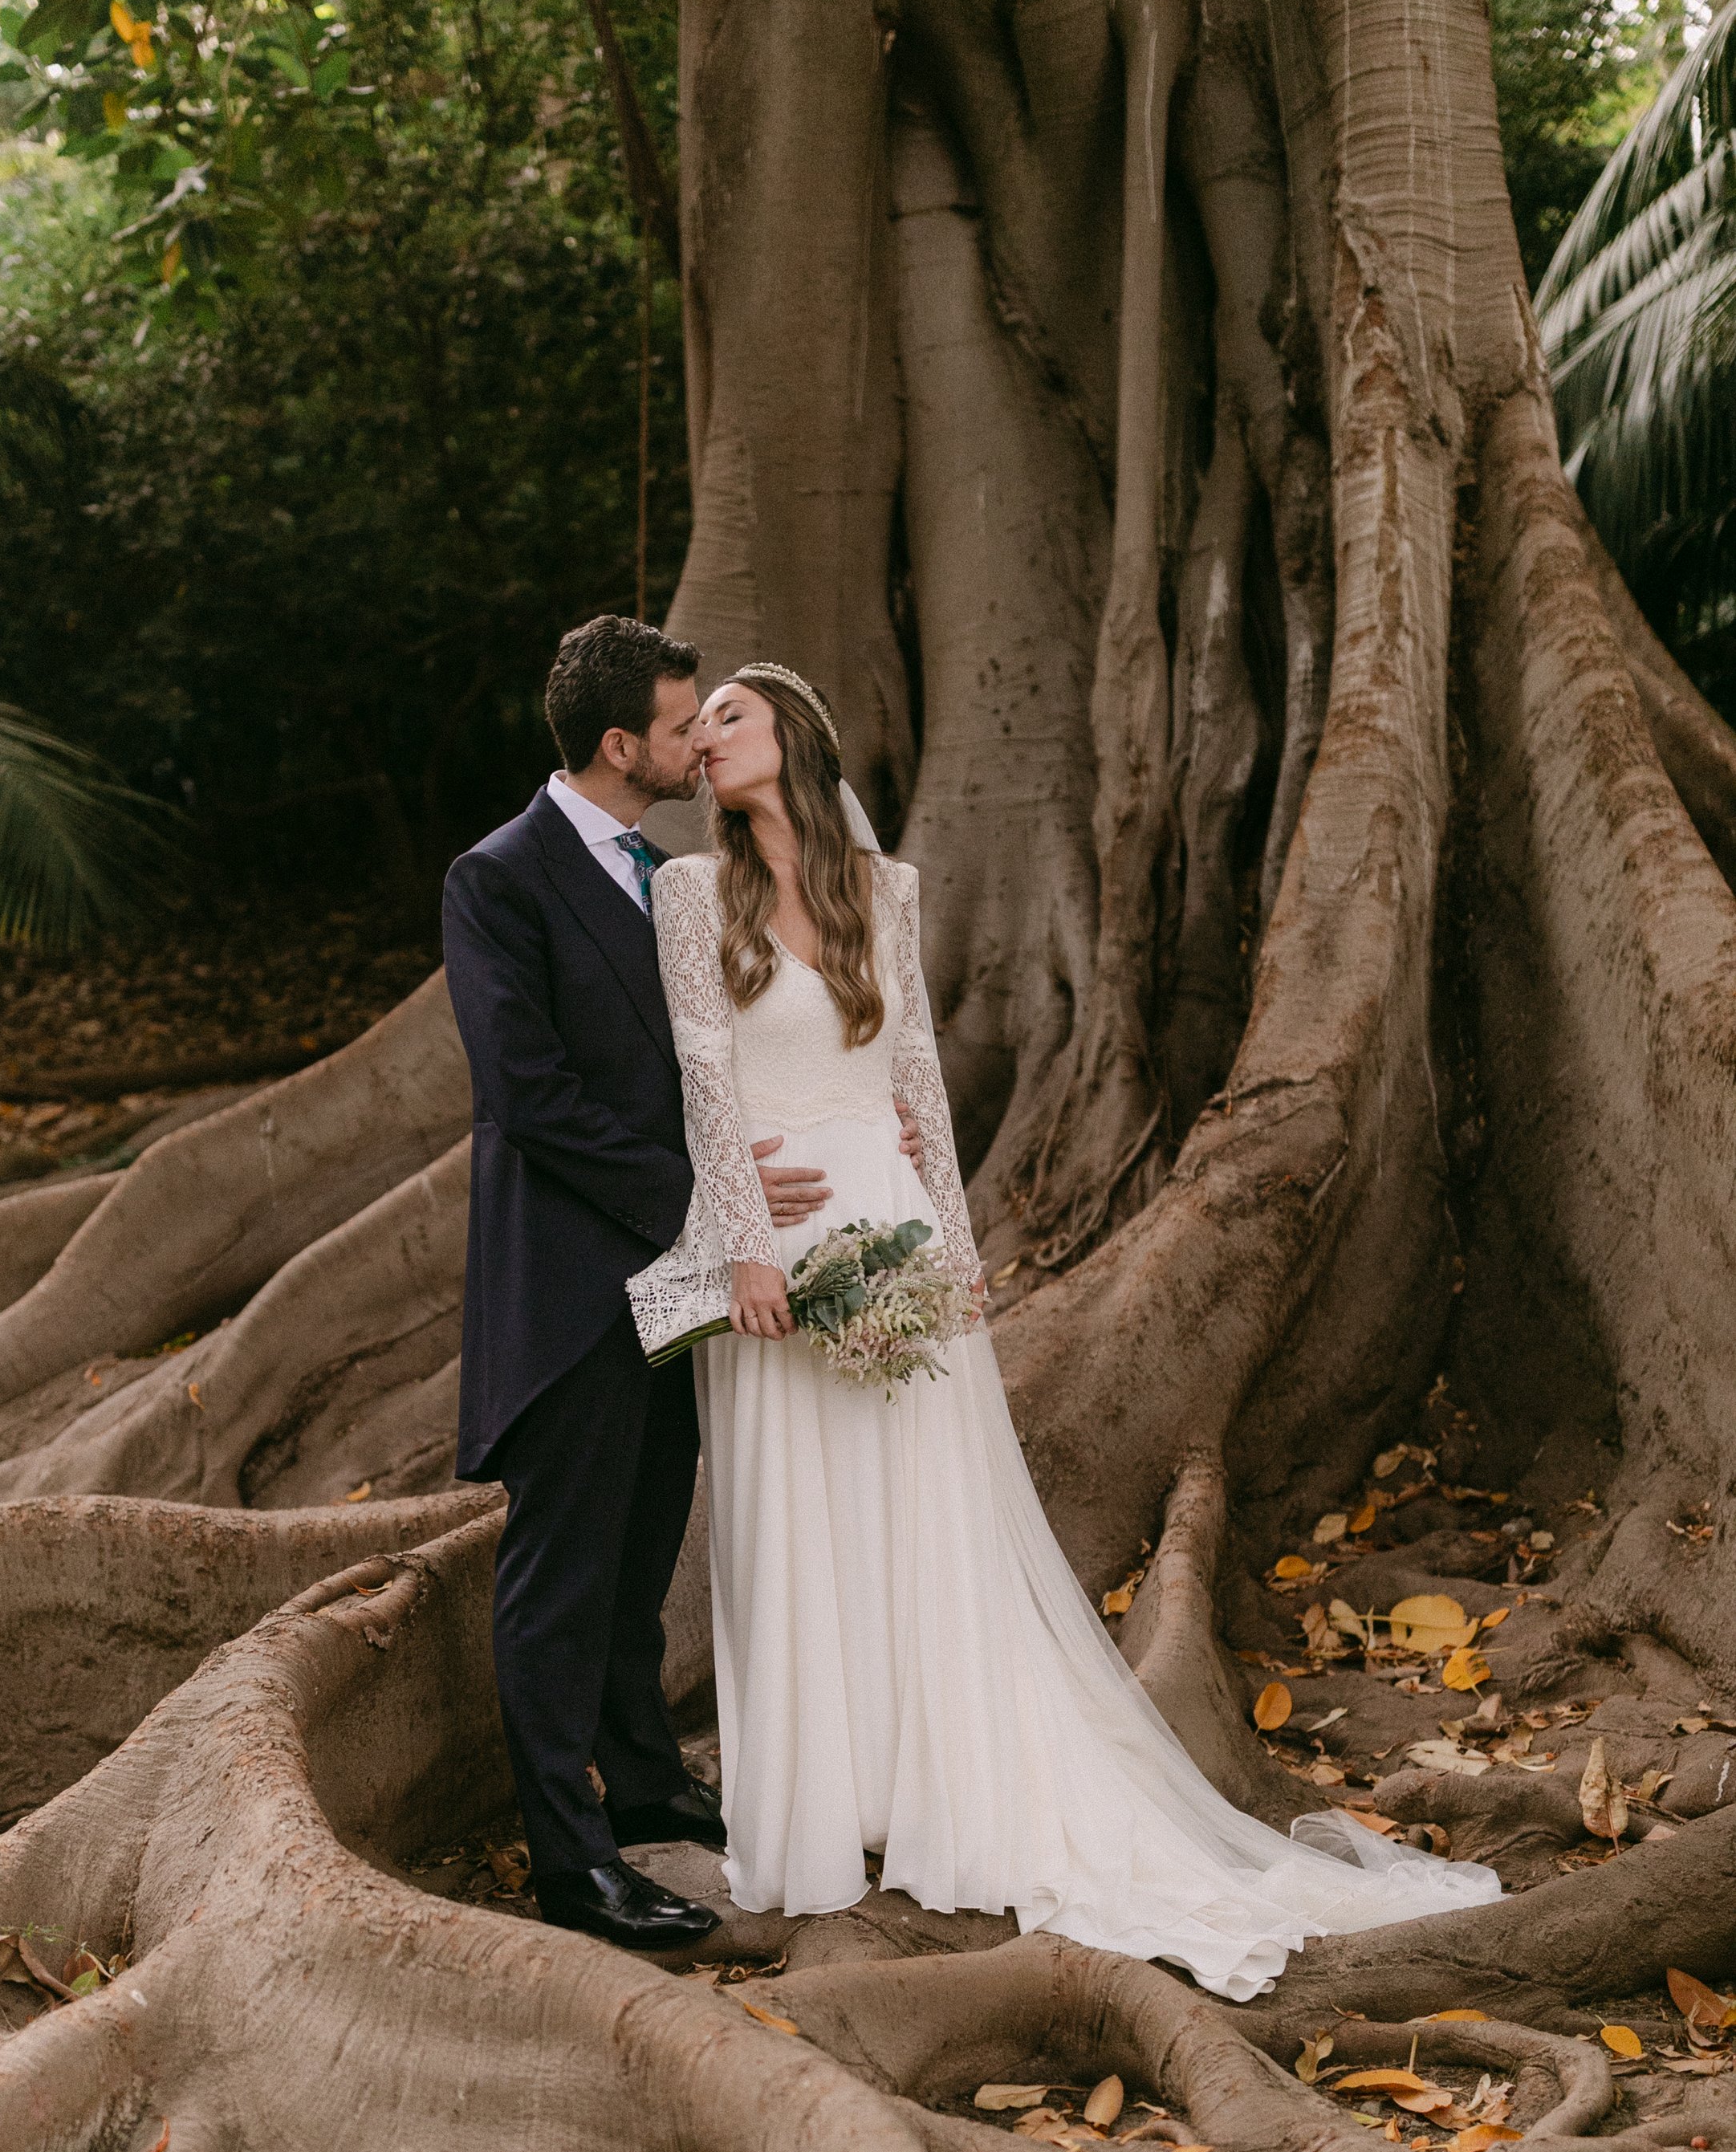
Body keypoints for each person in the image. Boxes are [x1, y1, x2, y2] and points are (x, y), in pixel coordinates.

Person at [636, 661, 1499, 1999]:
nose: (705, 744)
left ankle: (932, 1787)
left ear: (797, 735)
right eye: (698, 732)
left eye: (730, 718)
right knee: (789, 1512)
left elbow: (915, 1067)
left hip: (893, 1225)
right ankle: (814, 1811)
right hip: (779, 1238)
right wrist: (746, 1237)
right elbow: (702, 1070)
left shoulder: (888, 891)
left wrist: (956, 1249)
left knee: (913, 1510)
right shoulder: (695, 896)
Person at [441, 616, 927, 1954]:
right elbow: (527, 1097)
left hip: (678, 1290)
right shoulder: (499, 880)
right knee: (559, 1577)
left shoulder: (664, 876)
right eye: (676, 725)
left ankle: (650, 1778)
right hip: (567, 1294)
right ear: (620, 744)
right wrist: (711, 1196)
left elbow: (710, 1068)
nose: (694, 741)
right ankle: (571, 1860)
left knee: (643, 1549)